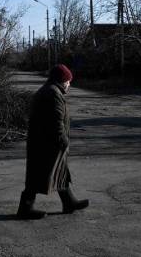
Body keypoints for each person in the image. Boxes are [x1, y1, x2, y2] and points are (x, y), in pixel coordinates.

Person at [17, 64, 89, 219]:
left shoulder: (50, 90)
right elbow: (56, 122)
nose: (70, 84)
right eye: (68, 81)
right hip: (46, 143)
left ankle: (69, 202)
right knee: (40, 174)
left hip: (44, 141)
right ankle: (25, 209)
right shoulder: (53, 93)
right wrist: (63, 141)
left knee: (59, 170)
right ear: (62, 80)